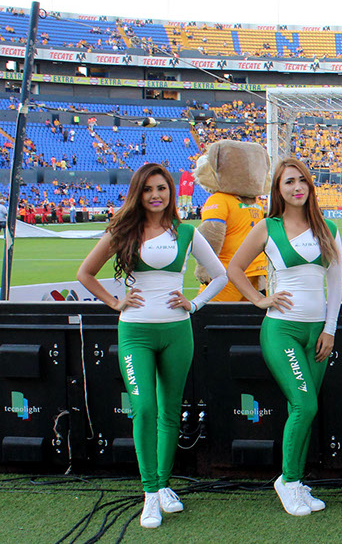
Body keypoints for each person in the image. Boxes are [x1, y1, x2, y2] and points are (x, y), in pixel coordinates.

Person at [76, 163, 228, 529]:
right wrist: (115, 303)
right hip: (136, 333)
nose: (155, 195)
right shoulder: (122, 230)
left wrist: (194, 304)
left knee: (170, 412)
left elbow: (220, 275)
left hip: (177, 332)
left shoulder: (186, 232)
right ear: (138, 194)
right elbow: (85, 273)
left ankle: (162, 485)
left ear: (170, 192)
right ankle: (149, 493)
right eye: (147, 189)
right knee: (144, 409)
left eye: (161, 188)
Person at [226, 158, 342, 517]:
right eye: (289, 181)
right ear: (278, 189)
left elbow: (335, 284)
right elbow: (234, 268)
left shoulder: (327, 228)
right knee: (305, 405)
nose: (297, 187)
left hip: (317, 333)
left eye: (302, 180)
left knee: (302, 409)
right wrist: (260, 299)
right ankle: (288, 482)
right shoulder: (268, 227)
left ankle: (298, 481)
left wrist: (329, 330)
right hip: (282, 330)